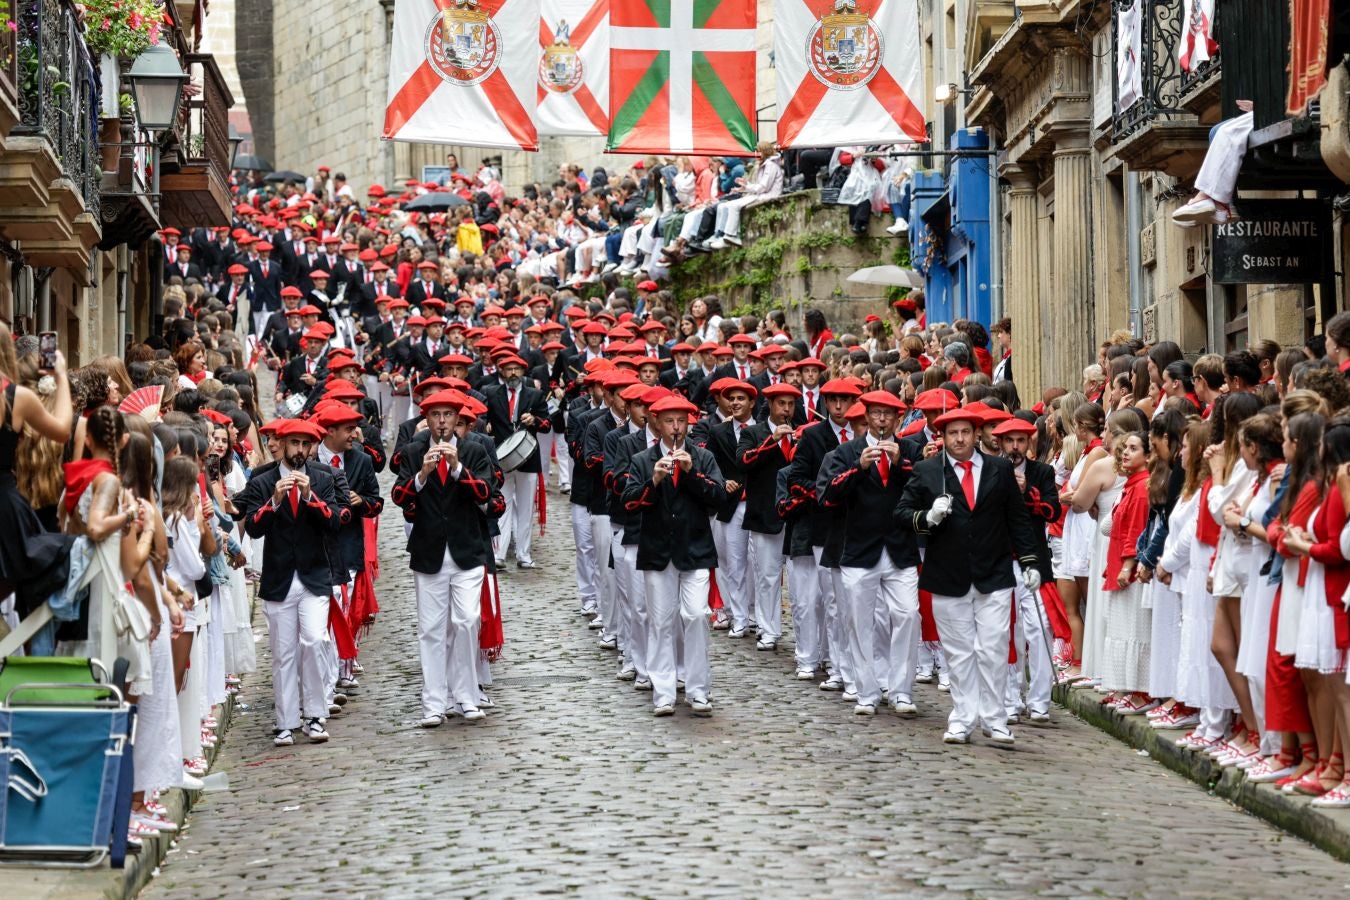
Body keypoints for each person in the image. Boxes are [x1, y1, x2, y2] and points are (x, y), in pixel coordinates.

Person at [898, 406, 1042, 745]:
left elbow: (1017, 518)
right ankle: (963, 717)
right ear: (943, 436)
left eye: (966, 432)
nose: (960, 439)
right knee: (959, 652)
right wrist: (928, 517)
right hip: (947, 574)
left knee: (993, 647)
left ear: (977, 434)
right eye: (953, 433)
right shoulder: (927, 470)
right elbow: (902, 513)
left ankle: (995, 718)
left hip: (994, 572)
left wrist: (1030, 562)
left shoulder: (998, 468)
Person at [234, 418, 345, 746]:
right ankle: (286, 722)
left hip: (314, 575)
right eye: (294, 443)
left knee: (314, 641)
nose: (299, 450)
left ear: (311, 448)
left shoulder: (323, 478)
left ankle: (315, 715)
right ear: (281, 444)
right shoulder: (262, 479)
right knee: (283, 653)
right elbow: (254, 528)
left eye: (304, 444)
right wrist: (274, 502)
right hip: (279, 576)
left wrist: (311, 497)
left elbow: (334, 523)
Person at [392, 390, 498, 726]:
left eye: (448, 415)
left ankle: (466, 696)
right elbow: (398, 496)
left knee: (467, 621)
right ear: (426, 419)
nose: (441, 422)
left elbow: (486, 493)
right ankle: (434, 703)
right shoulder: (414, 451)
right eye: (435, 415)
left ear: (457, 419)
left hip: (467, 549)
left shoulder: (474, 450)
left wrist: (457, 468)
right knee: (432, 629)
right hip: (429, 551)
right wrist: (421, 475)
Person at [620, 394, 726, 716]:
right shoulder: (643, 459)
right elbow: (628, 502)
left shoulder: (702, 457)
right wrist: (654, 480)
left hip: (695, 549)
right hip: (658, 551)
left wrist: (691, 474)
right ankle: (663, 692)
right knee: (661, 622)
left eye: (681, 421)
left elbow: (719, 497)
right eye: (669, 421)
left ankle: (698, 690)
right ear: (657, 423)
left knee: (696, 615)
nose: (676, 427)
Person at [818, 389, 922, 716]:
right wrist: (859, 468)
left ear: (897, 419)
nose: (881, 420)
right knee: (858, 622)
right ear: (866, 417)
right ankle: (866, 691)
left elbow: (924, 489)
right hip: (858, 549)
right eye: (876, 414)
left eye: (888, 415)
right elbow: (827, 496)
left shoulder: (910, 451)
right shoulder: (845, 452)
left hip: (900, 549)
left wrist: (901, 464)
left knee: (908, 615)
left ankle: (901, 690)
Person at [736, 383, 800, 652]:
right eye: (781, 404)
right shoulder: (753, 432)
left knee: (798, 581)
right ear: (771, 405)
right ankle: (768, 629)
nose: (786, 409)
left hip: (795, 515)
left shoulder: (801, 432)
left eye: (791, 404)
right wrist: (771, 441)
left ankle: (803, 636)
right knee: (767, 576)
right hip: (764, 514)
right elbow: (743, 462)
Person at [483, 355, 550, 568]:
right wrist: (486, 425)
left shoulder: (535, 395)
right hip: (501, 459)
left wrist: (534, 420)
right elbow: (482, 418)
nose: (513, 373)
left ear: (523, 372)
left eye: (516, 369)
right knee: (502, 505)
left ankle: (524, 555)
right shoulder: (491, 393)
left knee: (526, 508)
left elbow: (547, 424)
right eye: (508, 369)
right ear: (501, 372)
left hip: (528, 458)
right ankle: (499, 554)